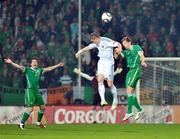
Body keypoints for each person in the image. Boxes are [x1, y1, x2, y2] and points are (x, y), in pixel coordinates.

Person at [4, 57, 64, 129]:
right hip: (30, 91)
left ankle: (38, 123)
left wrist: (57, 65)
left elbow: (48, 69)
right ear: (31, 64)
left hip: (37, 91)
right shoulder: (27, 69)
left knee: (42, 107)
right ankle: (21, 124)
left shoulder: (39, 70)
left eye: (36, 62)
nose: (35, 63)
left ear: (37, 63)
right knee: (30, 108)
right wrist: (11, 62)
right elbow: (19, 67)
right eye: (33, 62)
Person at [75, 32, 121, 110]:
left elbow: (118, 44)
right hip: (101, 62)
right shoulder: (96, 43)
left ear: (97, 38)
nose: (94, 43)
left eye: (94, 41)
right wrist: (79, 52)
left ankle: (115, 100)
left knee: (110, 84)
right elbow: (89, 47)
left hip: (109, 63)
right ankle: (103, 100)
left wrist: (119, 50)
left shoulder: (107, 41)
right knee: (99, 80)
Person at [115, 36, 147, 121]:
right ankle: (139, 110)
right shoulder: (126, 52)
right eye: (123, 44)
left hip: (136, 69)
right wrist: (116, 52)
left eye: (125, 43)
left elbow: (142, 55)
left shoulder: (136, 47)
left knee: (129, 91)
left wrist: (143, 62)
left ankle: (129, 112)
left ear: (129, 42)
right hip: (130, 71)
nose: (124, 45)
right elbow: (117, 57)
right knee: (130, 92)